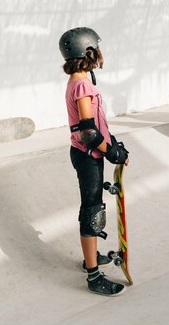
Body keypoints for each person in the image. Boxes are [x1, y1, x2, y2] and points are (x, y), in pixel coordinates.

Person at [59, 27, 130, 296]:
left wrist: (113, 146)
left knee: (92, 208)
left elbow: (96, 125)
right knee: (92, 212)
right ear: (87, 51)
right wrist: (110, 152)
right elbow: (88, 130)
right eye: (96, 48)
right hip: (88, 156)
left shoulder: (79, 82)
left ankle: (91, 256)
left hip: (87, 153)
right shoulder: (81, 85)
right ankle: (93, 276)